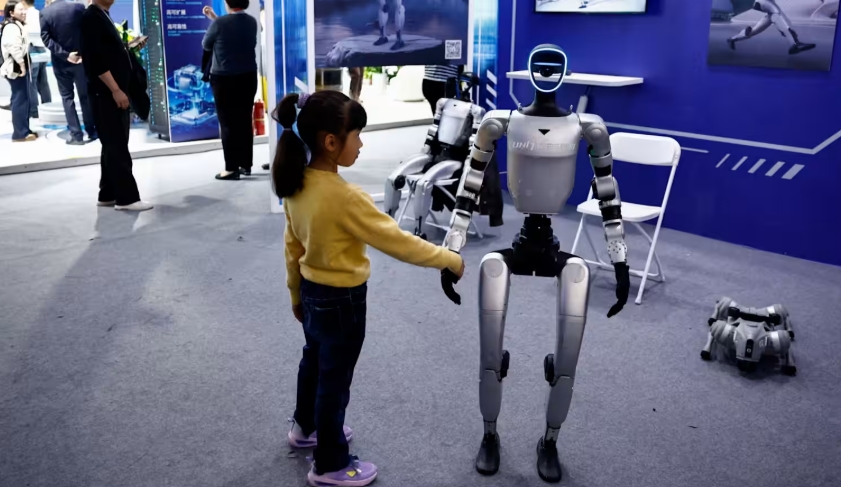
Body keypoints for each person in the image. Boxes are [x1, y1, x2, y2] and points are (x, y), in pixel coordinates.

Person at [275, 90, 465, 487]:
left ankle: (305, 427)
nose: (361, 144)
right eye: (357, 135)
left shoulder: (296, 184)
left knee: (313, 364)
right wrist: (447, 258)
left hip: (310, 294)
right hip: (342, 302)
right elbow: (397, 241)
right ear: (331, 142)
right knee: (334, 382)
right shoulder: (346, 198)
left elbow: (292, 248)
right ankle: (329, 464)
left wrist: (295, 295)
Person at [80, 0, 152, 211]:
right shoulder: (91, 18)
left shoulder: (102, 15)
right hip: (105, 94)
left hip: (111, 92)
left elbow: (108, 53)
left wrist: (128, 48)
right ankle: (127, 198)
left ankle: (108, 193)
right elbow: (95, 61)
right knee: (117, 145)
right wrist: (115, 90)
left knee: (112, 144)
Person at [202, 0, 258, 181]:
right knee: (244, 120)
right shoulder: (251, 21)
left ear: (227, 3)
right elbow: (233, 28)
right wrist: (215, 18)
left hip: (224, 78)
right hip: (248, 77)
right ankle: (246, 165)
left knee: (227, 123)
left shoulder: (220, 23)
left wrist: (215, 20)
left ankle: (231, 168)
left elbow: (206, 44)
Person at [41, 0, 96, 145]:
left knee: (67, 98)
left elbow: (46, 39)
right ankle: (92, 131)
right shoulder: (78, 7)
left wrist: (65, 55)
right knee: (85, 96)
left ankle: (76, 135)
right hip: (81, 60)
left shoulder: (46, 12)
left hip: (61, 63)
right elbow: (88, 31)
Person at [1, 0, 36, 141]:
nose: (24, 12)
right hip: (15, 68)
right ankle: (20, 133)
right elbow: (13, 47)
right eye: (20, 10)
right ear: (11, 12)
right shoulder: (11, 27)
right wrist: (22, 65)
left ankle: (24, 129)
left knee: (23, 98)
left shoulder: (18, 25)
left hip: (19, 67)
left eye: (24, 9)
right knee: (20, 99)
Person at [19, 0, 50, 119]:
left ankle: (34, 111)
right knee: (43, 82)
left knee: (31, 82)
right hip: (41, 48)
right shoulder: (39, 13)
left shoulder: (25, 15)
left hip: (31, 48)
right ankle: (47, 105)